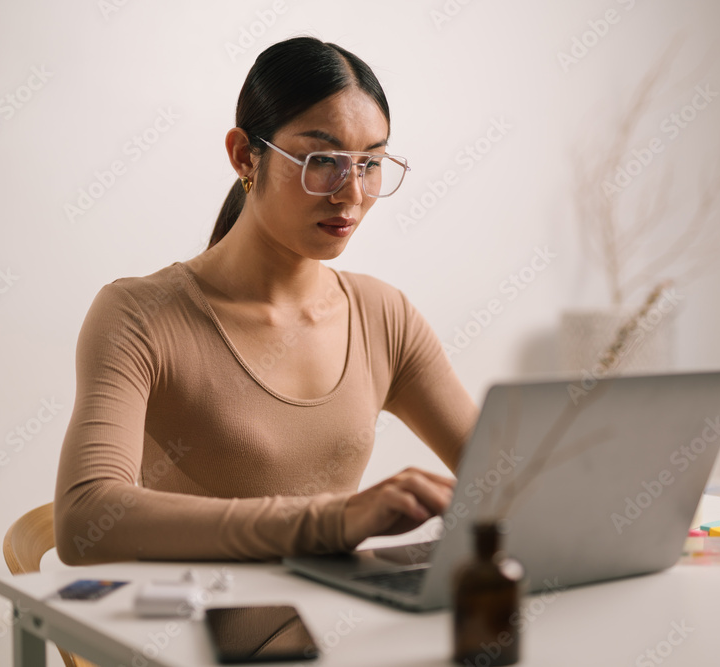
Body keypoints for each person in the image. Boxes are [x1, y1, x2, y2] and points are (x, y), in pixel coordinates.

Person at [54, 36, 479, 564]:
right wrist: (332, 521)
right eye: (322, 159)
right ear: (243, 156)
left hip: (345, 630)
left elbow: (507, 474)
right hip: (199, 640)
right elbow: (85, 520)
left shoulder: (382, 315)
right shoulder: (140, 317)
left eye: (370, 164)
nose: (350, 193)